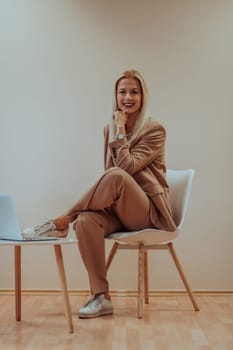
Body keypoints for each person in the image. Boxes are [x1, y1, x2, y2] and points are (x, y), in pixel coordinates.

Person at [23, 69, 176, 318]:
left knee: (117, 176)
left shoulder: (154, 129)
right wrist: (115, 130)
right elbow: (110, 174)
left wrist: (120, 132)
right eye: (122, 92)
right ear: (115, 96)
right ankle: (101, 296)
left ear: (143, 96)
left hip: (148, 213)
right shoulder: (109, 129)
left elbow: (123, 169)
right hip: (120, 209)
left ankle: (61, 220)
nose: (128, 97)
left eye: (134, 92)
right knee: (85, 221)